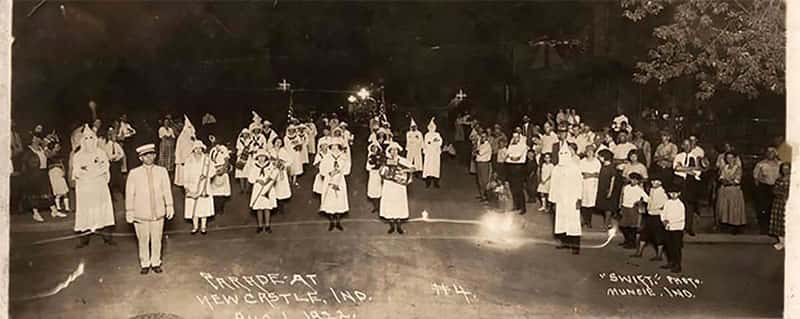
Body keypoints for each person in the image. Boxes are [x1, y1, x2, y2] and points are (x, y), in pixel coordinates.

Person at [125, 144, 175, 275]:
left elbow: (166, 190)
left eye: (152, 154)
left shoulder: (162, 171)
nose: (150, 157)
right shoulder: (134, 173)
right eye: (146, 155)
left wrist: (169, 205)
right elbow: (130, 193)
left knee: (157, 238)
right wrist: (129, 210)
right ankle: (145, 263)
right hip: (141, 212)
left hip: (158, 211)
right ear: (141, 158)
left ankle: (156, 262)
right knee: (143, 239)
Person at [72, 125, 116, 247]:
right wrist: (88, 172)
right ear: (82, 140)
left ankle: (107, 237)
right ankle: (84, 239)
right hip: (85, 187)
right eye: (86, 138)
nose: (89, 141)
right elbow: (76, 171)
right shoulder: (78, 156)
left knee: (103, 210)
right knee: (85, 211)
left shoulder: (100, 153)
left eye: (91, 138)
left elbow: (105, 166)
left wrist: (94, 171)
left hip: (99, 186)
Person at [548, 142, 583, 255]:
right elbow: (553, 184)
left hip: (572, 199)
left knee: (573, 222)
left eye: (565, 153)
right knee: (562, 221)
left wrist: (579, 198)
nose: (563, 155)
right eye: (561, 153)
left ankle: (575, 246)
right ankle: (565, 242)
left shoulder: (575, 168)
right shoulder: (556, 169)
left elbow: (579, 183)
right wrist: (553, 200)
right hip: (561, 199)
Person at [380, 142, 413, 234]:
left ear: (398, 151)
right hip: (389, 185)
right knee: (390, 203)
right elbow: (381, 172)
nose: (394, 152)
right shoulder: (386, 160)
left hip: (399, 185)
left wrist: (403, 170)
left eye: (395, 150)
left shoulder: (403, 160)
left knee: (399, 203)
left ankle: (398, 226)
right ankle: (391, 225)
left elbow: (413, 168)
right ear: (389, 151)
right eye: (392, 150)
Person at [183, 140, 214, 235]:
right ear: (193, 150)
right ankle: (195, 226)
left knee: (203, 206)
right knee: (193, 206)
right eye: (196, 148)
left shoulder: (207, 160)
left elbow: (213, 171)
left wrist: (206, 175)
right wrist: (186, 186)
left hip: (204, 186)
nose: (198, 150)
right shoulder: (188, 160)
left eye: (200, 148)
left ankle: (203, 226)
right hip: (192, 186)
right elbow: (185, 174)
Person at [632, 178, 666, 260]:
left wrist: (658, 210)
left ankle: (659, 255)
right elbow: (649, 200)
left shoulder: (662, 192)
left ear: (660, 182)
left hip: (657, 216)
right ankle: (639, 252)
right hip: (650, 215)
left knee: (658, 236)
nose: (654, 183)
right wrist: (643, 203)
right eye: (653, 181)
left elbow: (664, 205)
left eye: (656, 181)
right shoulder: (652, 190)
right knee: (644, 233)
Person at [673, 139, 702, 236]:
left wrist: (684, 168)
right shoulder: (678, 156)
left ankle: (689, 227)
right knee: (679, 204)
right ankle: (678, 227)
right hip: (679, 182)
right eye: (684, 145)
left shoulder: (695, 157)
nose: (686, 147)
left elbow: (697, 171)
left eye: (688, 145)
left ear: (692, 146)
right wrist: (689, 169)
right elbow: (676, 168)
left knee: (689, 206)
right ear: (682, 146)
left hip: (691, 183)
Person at [320, 140, 350, 231]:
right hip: (329, 180)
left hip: (339, 181)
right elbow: (322, 170)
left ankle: (338, 221)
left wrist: (339, 171)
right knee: (330, 200)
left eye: (336, 147)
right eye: (332, 147)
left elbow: (347, 169)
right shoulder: (326, 158)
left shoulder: (343, 158)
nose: (335, 149)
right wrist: (330, 173)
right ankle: (332, 222)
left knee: (339, 200)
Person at [248, 149, 278, 234]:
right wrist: (257, 180)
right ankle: (260, 226)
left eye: (263, 157)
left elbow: (274, 175)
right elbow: (250, 178)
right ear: (257, 157)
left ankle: (268, 225)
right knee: (259, 207)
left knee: (267, 207)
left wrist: (268, 180)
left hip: (267, 187)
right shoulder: (254, 166)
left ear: (266, 157)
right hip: (258, 188)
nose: (261, 158)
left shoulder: (270, 165)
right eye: (259, 157)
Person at [716, 151, 746, 234]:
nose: (729, 159)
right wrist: (726, 180)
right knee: (725, 208)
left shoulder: (738, 168)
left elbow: (737, 180)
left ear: (735, 158)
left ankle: (735, 227)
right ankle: (727, 224)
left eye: (731, 158)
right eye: (727, 158)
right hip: (725, 191)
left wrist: (727, 181)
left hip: (734, 191)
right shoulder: (725, 167)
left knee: (734, 208)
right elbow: (721, 178)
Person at [753, 147, 781, 234]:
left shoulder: (780, 164)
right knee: (763, 208)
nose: (770, 154)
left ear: (775, 153)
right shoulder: (760, 164)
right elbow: (755, 178)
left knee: (775, 209)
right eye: (768, 152)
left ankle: (774, 229)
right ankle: (764, 228)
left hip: (777, 187)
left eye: (772, 152)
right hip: (764, 188)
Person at [661, 180, 686, 273]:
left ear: (679, 193)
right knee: (669, 246)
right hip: (668, 228)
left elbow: (680, 217)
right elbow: (663, 212)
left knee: (676, 248)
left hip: (677, 228)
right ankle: (670, 262)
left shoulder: (680, 205)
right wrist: (663, 220)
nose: (673, 195)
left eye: (675, 193)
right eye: (671, 193)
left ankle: (677, 265)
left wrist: (670, 221)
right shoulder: (667, 203)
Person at [619, 173, 649, 249]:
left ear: (638, 181)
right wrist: (620, 206)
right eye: (632, 179)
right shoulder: (626, 187)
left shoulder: (639, 189)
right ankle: (627, 240)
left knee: (632, 227)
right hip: (625, 207)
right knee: (623, 226)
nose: (634, 181)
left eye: (636, 180)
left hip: (633, 209)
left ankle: (632, 243)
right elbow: (622, 196)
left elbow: (647, 199)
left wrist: (639, 202)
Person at [505, 132, 529, 214]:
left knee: (519, 188)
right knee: (513, 188)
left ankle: (523, 208)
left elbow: (519, 157)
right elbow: (507, 156)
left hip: (519, 168)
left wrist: (512, 157)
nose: (515, 139)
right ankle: (516, 205)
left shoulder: (523, 146)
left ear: (519, 138)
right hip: (510, 167)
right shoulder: (511, 145)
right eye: (514, 137)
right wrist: (512, 157)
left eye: (517, 137)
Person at [208, 135, 231, 215]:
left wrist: (224, 169)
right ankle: (216, 208)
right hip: (214, 170)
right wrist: (212, 171)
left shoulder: (224, 149)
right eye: (214, 143)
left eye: (217, 142)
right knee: (214, 191)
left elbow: (226, 159)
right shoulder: (212, 150)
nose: (216, 144)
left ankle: (221, 208)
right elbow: (210, 161)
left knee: (222, 191)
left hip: (222, 169)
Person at [769, 162, 790, 251]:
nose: (785, 171)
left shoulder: (794, 179)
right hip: (779, 203)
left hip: (789, 202)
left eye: (787, 169)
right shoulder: (779, 179)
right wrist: (782, 194)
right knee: (779, 222)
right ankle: (781, 242)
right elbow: (775, 190)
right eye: (784, 169)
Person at [270, 137, 293, 214]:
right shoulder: (271, 151)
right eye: (277, 142)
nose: (278, 144)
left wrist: (284, 165)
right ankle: (274, 207)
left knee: (281, 189)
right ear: (274, 142)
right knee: (273, 188)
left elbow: (290, 160)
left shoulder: (283, 151)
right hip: (273, 172)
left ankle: (281, 206)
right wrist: (272, 164)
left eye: (280, 142)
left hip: (281, 172)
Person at [579, 145, 601, 228]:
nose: (590, 153)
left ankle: (589, 221)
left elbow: (598, 174)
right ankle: (584, 220)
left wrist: (590, 175)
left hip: (593, 185)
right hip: (584, 184)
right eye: (588, 151)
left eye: (591, 151)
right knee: (584, 203)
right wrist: (586, 174)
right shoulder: (582, 161)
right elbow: (581, 172)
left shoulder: (597, 162)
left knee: (591, 204)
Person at [174, 115, 196, 187]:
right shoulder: (182, 138)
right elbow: (180, 150)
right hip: (183, 161)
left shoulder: (192, 138)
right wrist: (182, 160)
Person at [422, 118, 443, 188]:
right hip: (429, 153)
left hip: (435, 153)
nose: (431, 128)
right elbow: (425, 143)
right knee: (428, 167)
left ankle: (436, 182)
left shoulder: (437, 134)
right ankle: (428, 182)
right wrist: (429, 144)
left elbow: (439, 141)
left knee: (435, 167)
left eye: (432, 127)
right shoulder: (426, 135)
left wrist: (434, 142)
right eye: (430, 127)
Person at [474, 130, 492, 202]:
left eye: (484, 137)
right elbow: (475, 151)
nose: (482, 138)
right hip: (479, 163)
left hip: (484, 164)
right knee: (480, 181)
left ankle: (487, 196)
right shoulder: (481, 144)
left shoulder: (487, 145)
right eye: (481, 137)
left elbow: (479, 152)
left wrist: (476, 151)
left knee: (485, 181)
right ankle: (482, 196)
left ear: (487, 137)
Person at [366, 142, 384, 214]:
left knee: (380, 190)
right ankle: (375, 206)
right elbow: (367, 167)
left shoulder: (381, 156)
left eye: (376, 147)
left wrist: (380, 167)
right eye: (373, 148)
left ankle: (380, 206)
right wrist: (373, 166)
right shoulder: (370, 156)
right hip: (373, 175)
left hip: (379, 174)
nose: (374, 149)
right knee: (373, 190)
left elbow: (383, 164)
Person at [235, 128, 254, 193]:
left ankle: (247, 189)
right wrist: (242, 152)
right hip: (241, 157)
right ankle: (242, 188)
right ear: (242, 134)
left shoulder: (251, 140)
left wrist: (248, 152)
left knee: (248, 173)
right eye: (244, 134)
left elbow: (252, 149)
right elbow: (238, 148)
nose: (245, 135)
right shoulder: (239, 140)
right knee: (241, 173)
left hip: (248, 158)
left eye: (246, 134)